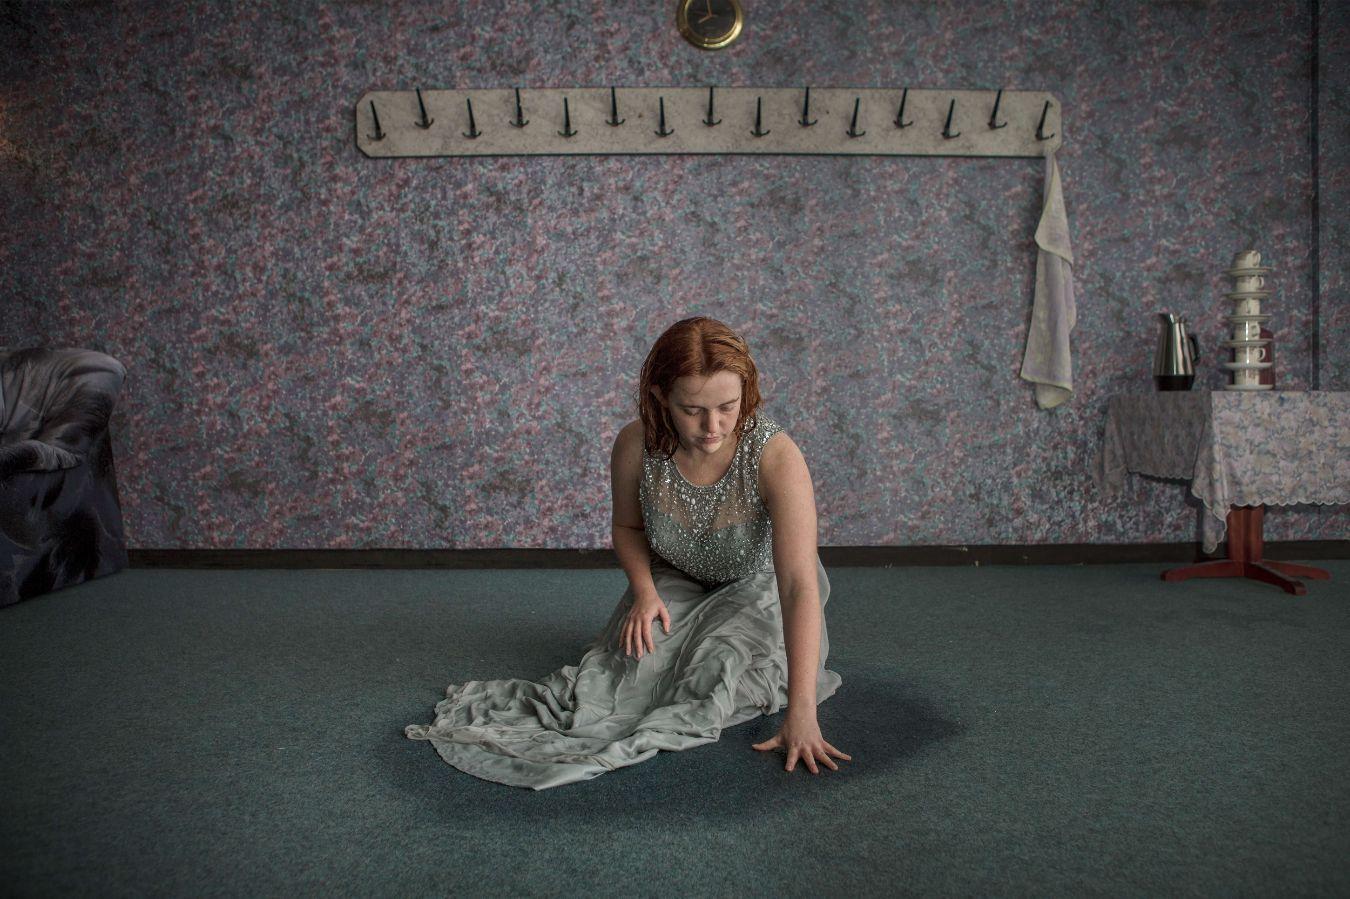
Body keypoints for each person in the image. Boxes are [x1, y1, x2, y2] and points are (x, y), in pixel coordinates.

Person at [405, 316, 850, 789]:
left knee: (712, 675)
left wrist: (803, 713)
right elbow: (627, 528)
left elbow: (798, 586)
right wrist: (644, 592)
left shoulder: (776, 456)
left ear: (747, 392)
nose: (712, 426)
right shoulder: (636, 444)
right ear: (661, 397)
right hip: (674, 578)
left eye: (728, 407)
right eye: (692, 409)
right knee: (622, 682)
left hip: (755, 585)